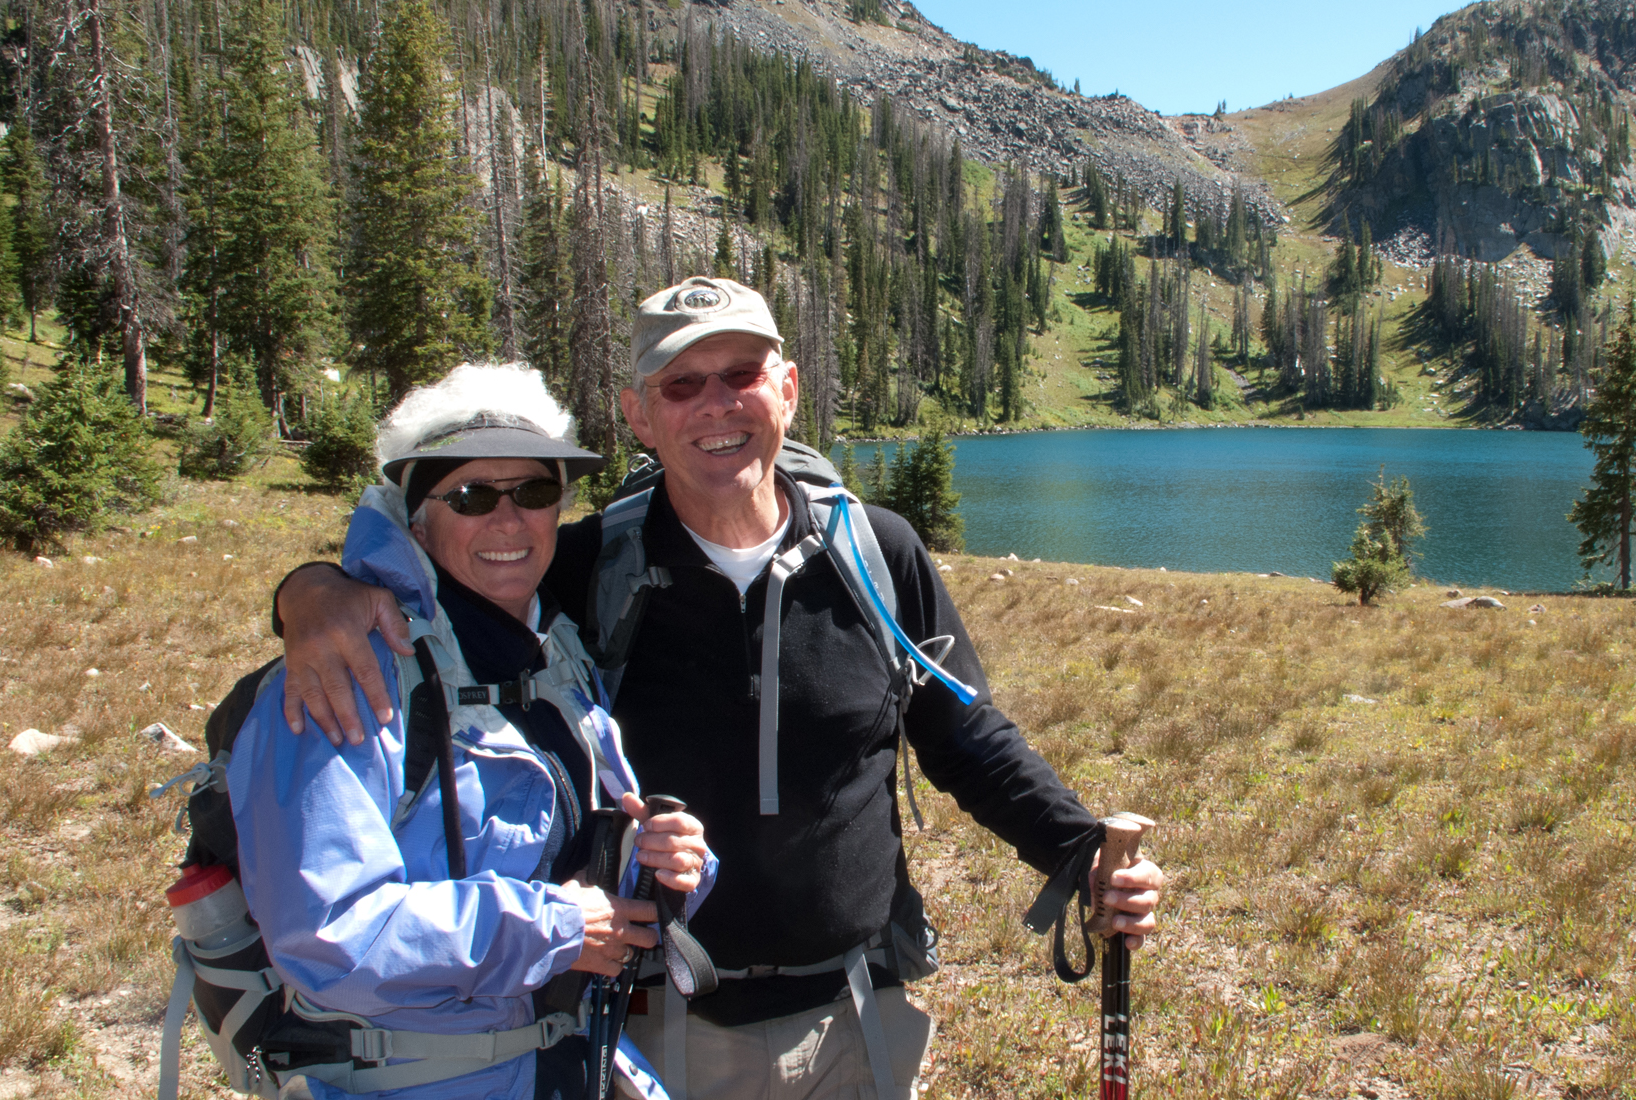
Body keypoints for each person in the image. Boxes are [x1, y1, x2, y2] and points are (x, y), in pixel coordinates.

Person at [272, 279, 1164, 1100]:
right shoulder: (582, 569)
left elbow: (967, 736)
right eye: (680, 385)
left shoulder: (876, 556)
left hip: (860, 1007)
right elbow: (440, 581)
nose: (715, 405)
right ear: (638, 416)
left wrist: (1076, 846)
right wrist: (312, 592)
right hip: (654, 1021)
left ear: (788, 389)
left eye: (739, 374)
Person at [231, 363, 713, 1099]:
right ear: (416, 517)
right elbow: (327, 932)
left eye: (536, 492)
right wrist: (552, 928)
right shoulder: (347, 675)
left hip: (569, 1064)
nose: (509, 520)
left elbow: (579, 883)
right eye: (471, 496)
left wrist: (665, 867)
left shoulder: (557, 659)